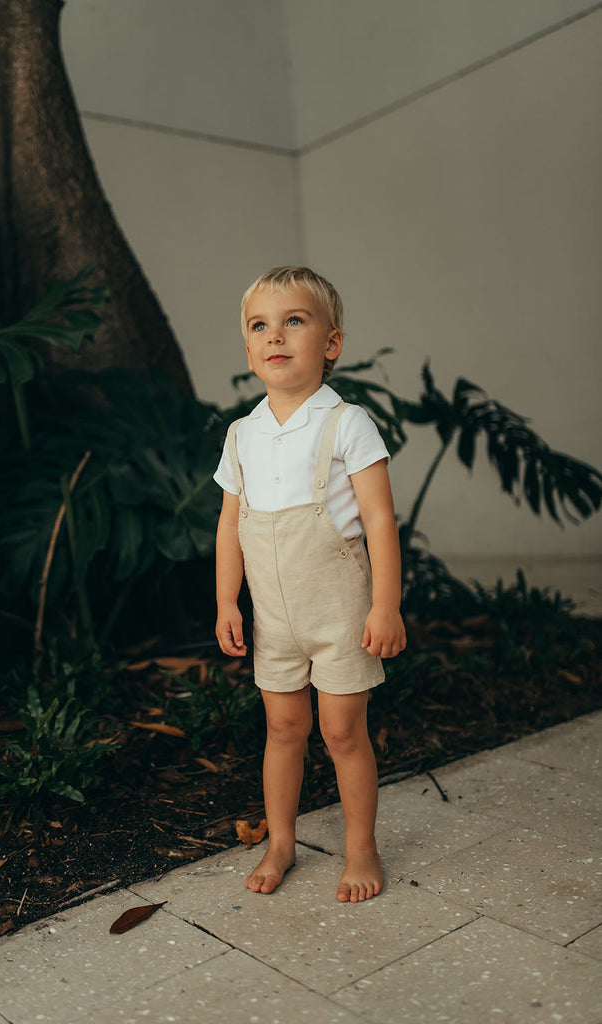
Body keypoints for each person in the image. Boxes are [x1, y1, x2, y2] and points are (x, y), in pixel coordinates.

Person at [214, 266, 406, 903]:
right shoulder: (242, 434)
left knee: (343, 731)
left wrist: (385, 605)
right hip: (274, 616)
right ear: (248, 350)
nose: (275, 336)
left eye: (294, 320)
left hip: (340, 611)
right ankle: (282, 842)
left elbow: (379, 517)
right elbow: (230, 526)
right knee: (282, 729)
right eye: (260, 326)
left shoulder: (346, 423)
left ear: (331, 343)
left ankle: (361, 847)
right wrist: (226, 602)